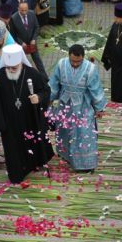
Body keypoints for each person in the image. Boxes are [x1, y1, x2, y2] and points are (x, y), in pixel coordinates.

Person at [0, 44, 54, 183]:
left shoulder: (32, 73)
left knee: (31, 143)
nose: (10, 70)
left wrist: (38, 98)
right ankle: (17, 172)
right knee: (13, 150)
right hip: (10, 121)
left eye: (14, 67)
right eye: (8, 67)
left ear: (20, 62)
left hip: (29, 118)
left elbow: (46, 91)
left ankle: (33, 164)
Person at [49, 44, 107, 172]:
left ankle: (85, 163)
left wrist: (99, 108)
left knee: (83, 132)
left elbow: (96, 89)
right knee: (64, 129)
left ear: (83, 57)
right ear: (68, 56)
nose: (75, 64)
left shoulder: (90, 68)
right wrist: (50, 99)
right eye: (73, 61)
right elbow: (54, 83)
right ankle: (66, 155)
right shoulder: (61, 64)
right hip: (65, 105)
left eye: (78, 61)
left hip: (83, 105)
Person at [9, 1, 47, 78]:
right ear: (18, 9)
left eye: (26, 10)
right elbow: (13, 34)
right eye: (22, 10)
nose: (24, 12)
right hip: (21, 46)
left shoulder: (32, 13)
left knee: (38, 60)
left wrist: (34, 39)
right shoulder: (13, 18)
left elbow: (37, 27)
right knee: (24, 63)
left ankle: (45, 77)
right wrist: (21, 42)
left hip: (32, 43)